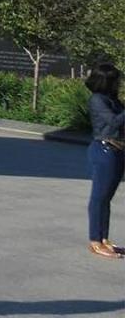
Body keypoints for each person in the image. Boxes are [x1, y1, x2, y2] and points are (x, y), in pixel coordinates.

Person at [84, 62, 125, 258]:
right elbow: (114, 122)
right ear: (105, 81)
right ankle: (95, 240)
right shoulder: (97, 100)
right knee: (99, 197)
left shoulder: (113, 100)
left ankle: (104, 239)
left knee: (106, 198)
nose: (120, 83)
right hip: (103, 151)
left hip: (117, 151)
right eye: (116, 80)